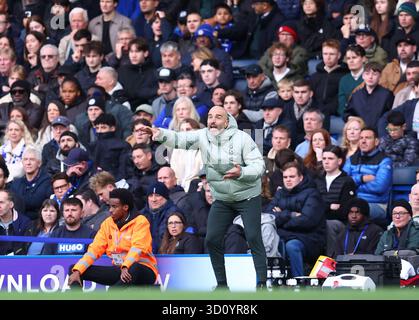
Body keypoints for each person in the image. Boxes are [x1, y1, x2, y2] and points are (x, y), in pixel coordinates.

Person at [140, 106, 268, 289]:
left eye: (218, 117)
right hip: (223, 198)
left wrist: (242, 172)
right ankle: (222, 285)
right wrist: (159, 133)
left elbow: (259, 166)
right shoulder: (203, 136)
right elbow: (179, 139)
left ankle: (262, 282)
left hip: (246, 196)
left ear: (227, 121)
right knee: (212, 239)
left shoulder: (243, 139)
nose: (213, 120)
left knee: (254, 237)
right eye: (210, 117)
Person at [68, 188, 158, 289]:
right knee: (74, 270)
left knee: (134, 268)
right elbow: (94, 249)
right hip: (120, 269)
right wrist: (78, 270)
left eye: (114, 207)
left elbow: (138, 248)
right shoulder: (107, 223)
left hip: (143, 271)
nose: (110, 210)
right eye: (109, 206)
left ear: (125, 207)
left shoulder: (140, 221)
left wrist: (126, 266)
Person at [265, 161, 326, 277]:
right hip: (285, 235)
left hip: (308, 238)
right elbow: (269, 216)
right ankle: (272, 281)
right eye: (285, 177)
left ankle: (298, 282)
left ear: (301, 177)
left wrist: (281, 217)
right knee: (270, 242)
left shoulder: (312, 194)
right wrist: (289, 214)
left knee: (291, 246)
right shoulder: (280, 194)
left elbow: (307, 221)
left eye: (292, 177)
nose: (288, 180)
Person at [343, 127, 393, 224]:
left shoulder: (384, 160)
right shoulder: (352, 159)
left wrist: (353, 185)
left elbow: (379, 187)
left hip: (377, 204)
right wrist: (361, 179)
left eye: (368, 138)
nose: (363, 141)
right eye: (361, 138)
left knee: (355, 211)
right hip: (353, 201)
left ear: (376, 141)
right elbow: (343, 182)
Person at [315, 145, 357, 256]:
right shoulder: (317, 180)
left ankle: (331, 261)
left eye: (330, 159)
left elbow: (344, 212)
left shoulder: (347, 181)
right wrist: (329, 206)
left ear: (339, 161)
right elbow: (313, 205)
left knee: (329, 224)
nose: (326, 162)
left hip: (339, 223)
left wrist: (322, 207)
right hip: (317, 220)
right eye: (324, 159)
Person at [9, 146, 52, 220]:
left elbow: (37, 201)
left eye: (32, 160)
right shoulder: (16, 183)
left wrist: (19, 201)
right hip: (18, 223)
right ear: (22, 163)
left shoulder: (47, 181)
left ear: (39, 163)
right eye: (25, 160)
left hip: (38, 222)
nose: (28, 163)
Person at [0, 189, 31, 255]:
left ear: (11, 204)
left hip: (18, 262)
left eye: (1, 202)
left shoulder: (25, 223)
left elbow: (26, 248)